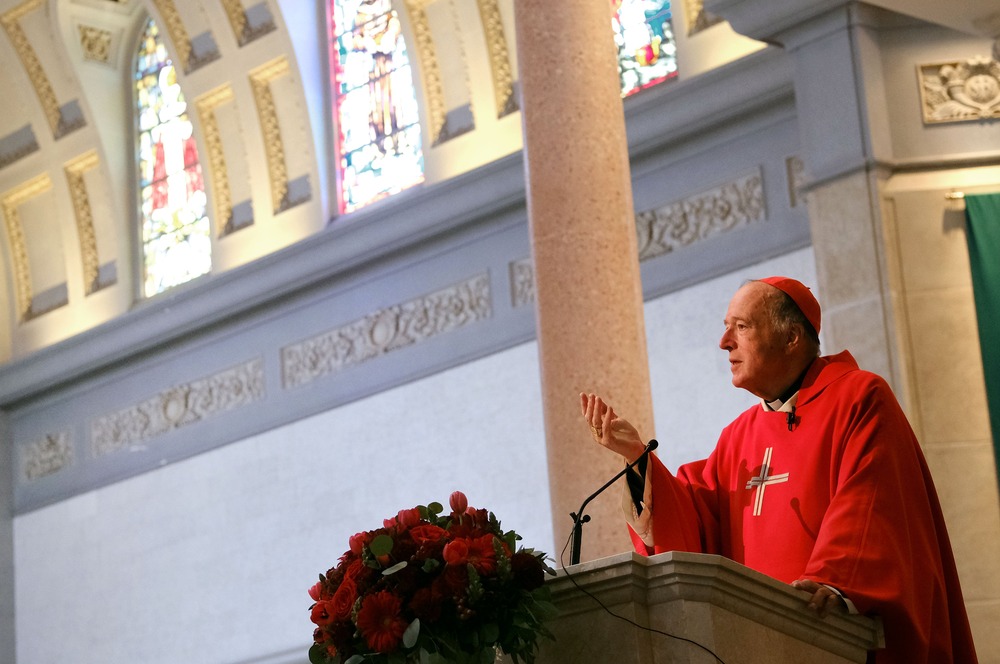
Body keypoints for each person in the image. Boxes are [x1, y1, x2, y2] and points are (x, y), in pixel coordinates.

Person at [581, 276, 977, 664]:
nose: (724, 342)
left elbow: (873, 501)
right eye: (725, 328)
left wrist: (834, 577)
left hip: (835, 637)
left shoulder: (859, 398)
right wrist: (636, 457)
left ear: (791, 337)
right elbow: (693, 520)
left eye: (742, 326)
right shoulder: (738, 437)